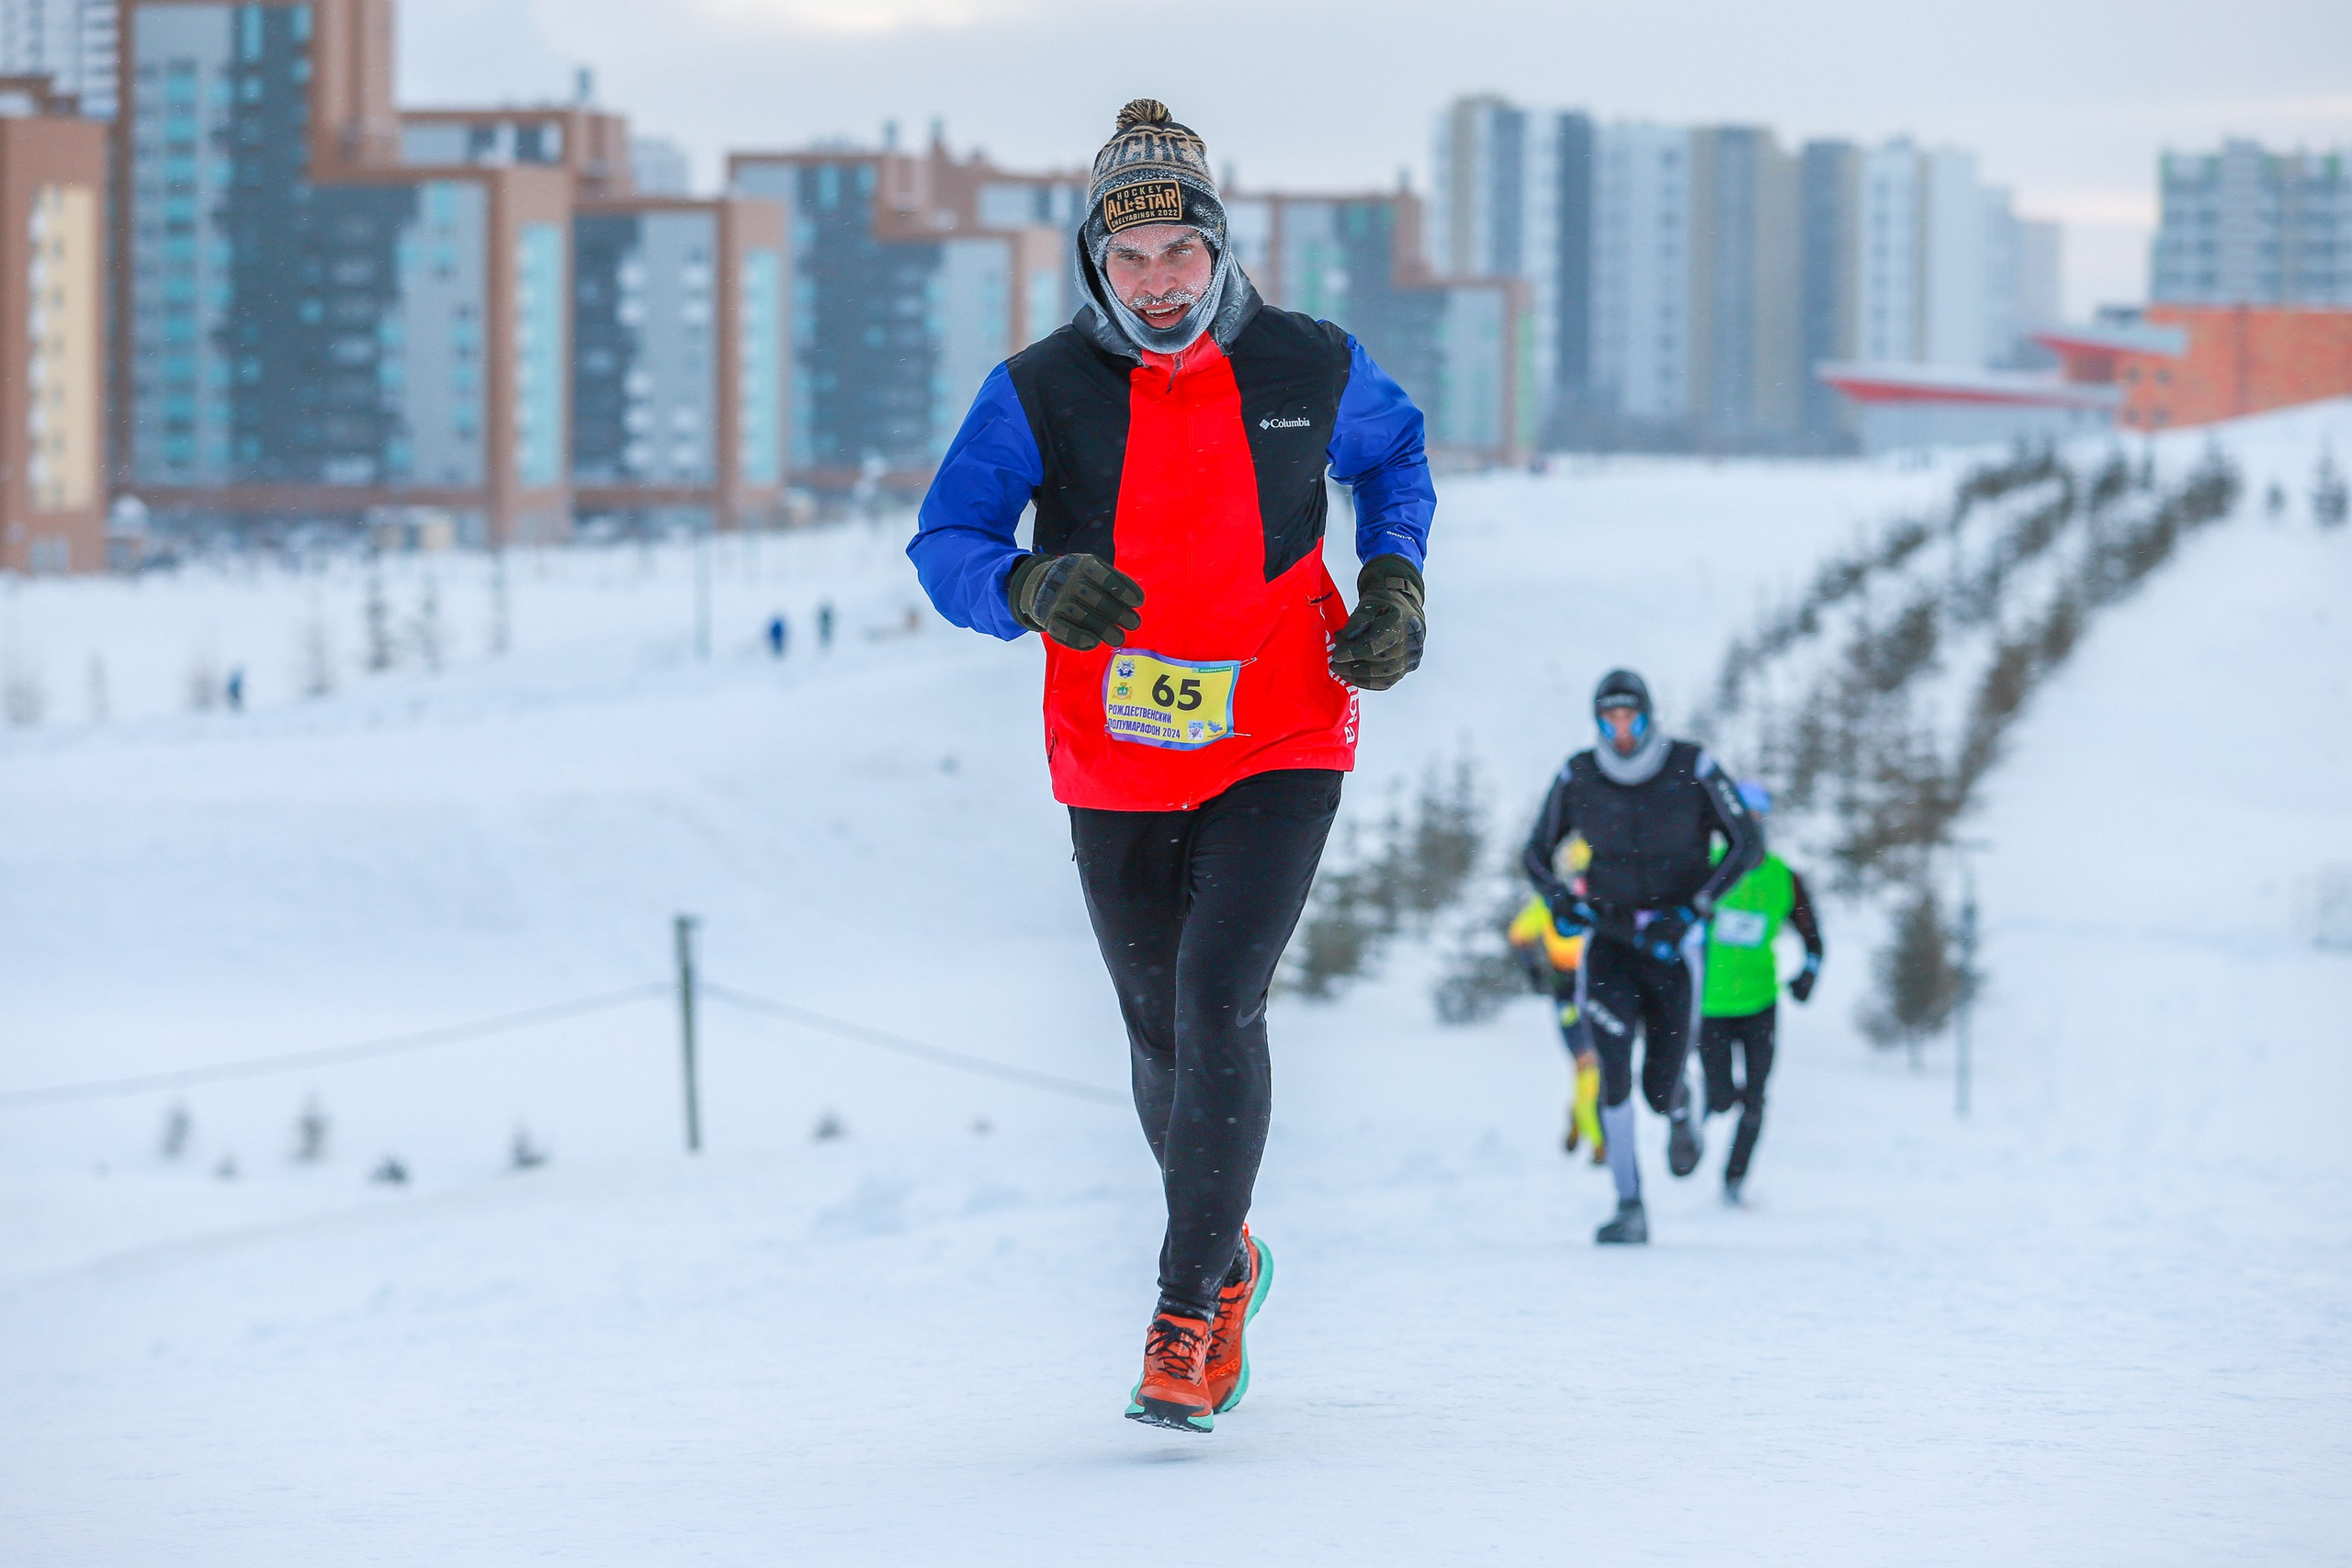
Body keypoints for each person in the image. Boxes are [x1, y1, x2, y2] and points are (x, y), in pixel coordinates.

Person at [908, 99, 1434, 1433]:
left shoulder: (1312, 363)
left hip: (1282, 727)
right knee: (1159, 1031)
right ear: (1097, 259)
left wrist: (1394, 577)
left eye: (1177, 257)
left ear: (1216, 250)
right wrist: (1026, 582)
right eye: (1128, 261)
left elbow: (1397, 453)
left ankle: (1187, 1307)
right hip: (1117, 748)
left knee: (1217, 998)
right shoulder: (1036, 390)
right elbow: (947, 540)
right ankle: (1231, 1248)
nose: (1156, 286)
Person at [1523, 669, 1763, 1246]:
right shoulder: (1578, 775)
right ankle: (1630, 1206)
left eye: (1632, 715)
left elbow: (1748, 844)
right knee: (1612, 1074)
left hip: (1673, 948)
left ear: (1651, 715)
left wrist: (1695, 909)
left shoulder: (1693, 766)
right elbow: (1534, 854)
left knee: (1658, 1087)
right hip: (1608, 945)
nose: (1622, 728)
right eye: (1611, 717)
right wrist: (1561, 901)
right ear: (1598, 720)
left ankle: (1680, 1105)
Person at [1698, 781, 1824, 1206]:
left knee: (1756, 1097)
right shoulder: (1701, 869)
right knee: (1720, 1097)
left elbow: (1814, 940)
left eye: (1754, 821)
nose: (1747, 829)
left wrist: (1808, 973)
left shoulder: (1782, 878)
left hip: (1760, 1004)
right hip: (1708, 1005)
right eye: (1738, 821)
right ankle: (1703, 1112)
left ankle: (1734, 1179)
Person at [1506, 834, 1603, 1162]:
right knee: (1588, 1064)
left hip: (1599, 988)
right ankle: (1599, 1139)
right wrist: (1534, 972)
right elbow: (1519, 934)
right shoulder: (1550, 902)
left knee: (1595, 1066)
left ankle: (1582, 1118)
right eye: (1577, 875)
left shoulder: (1604, 900)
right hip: (1568, 991)